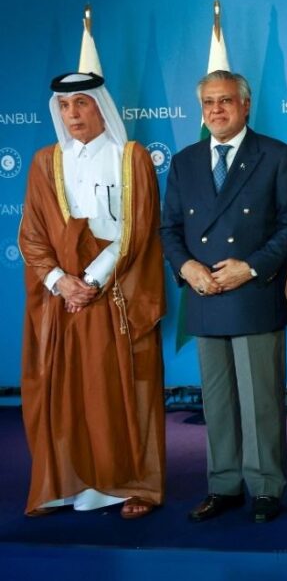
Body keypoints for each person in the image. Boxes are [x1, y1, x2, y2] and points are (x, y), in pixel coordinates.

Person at [19, 72, 166, 519]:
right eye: (64, 107)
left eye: (81, 104)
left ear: (101, 106)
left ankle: (128, 485)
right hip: (61, 299)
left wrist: (92, 280)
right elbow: (31, 235)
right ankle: (65, 484)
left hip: (114, 291)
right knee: (62, 391)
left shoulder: (129, 157)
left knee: (119, 390)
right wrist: (61, 282)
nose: (73, 115)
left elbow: (136, 228)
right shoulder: (46, 161)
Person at [160, 70, 287, 524]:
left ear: (245, 105)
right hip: (204, 293)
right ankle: (223, 485)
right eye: (209, 103)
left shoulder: (275, 156)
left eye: (225, 101)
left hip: (253, 293)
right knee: (217, 401)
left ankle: (265, 487)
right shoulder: (183, 162)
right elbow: (169, 228)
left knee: (260, 400)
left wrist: (252, 266)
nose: (217, 110)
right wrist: (187, 268)